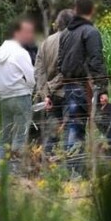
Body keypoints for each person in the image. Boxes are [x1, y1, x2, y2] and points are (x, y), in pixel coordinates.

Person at [58, 0, 109, 153]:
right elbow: (96, 61)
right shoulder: (91, 32)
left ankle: (72, 166)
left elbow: (60, 63)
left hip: (68, 87)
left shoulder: (65, 33)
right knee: (89, 127)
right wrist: (102, 90)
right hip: (85, 86)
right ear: (91, 10)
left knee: (74, 126)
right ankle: (78, 169)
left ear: (75, 10)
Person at [0, 18, 36, 164]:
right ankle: (15, 170)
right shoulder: (20, 52)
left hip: (4, 97)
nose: (30, 36)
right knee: (20, 135)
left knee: (5, 135)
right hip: (20, 96)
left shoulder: (0, 51)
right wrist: (30, 90)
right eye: (27, 32)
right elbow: (31, 77)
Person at [34, 9, 74, 153]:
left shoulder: (45, 43)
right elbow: (68, 71)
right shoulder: (72, 40)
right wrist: (50, 88)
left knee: (52, 134)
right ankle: (71, 167)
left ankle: (45, 165)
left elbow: (39, 71)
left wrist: (45, 95)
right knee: (71, 131)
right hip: (68, 93)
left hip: (51, 97)